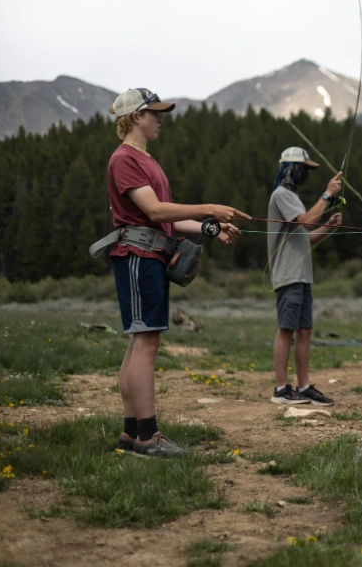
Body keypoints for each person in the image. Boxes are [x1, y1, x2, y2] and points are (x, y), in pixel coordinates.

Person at [104, 88, 248, 457]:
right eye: (154, 113)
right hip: (138, 255)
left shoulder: (145, 160)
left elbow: (169, 220)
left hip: (150, 255)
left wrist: (213, 228)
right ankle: (148, 438)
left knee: (140, 341)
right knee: (145, 341)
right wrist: (210, 208)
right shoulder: (124, 159)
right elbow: (153, 211)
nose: (160, 119)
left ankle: (131, 434)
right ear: (136, 117)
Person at [267, 147, 343, 405]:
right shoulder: (282, 195)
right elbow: (306, 222)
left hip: (302, 275)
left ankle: (304, 385)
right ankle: (280, 389)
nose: (306, 175)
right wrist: (328, 194)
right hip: (288, 275)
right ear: (291, 168)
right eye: (305, 169)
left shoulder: (293, 197)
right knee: (286, 330)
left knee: (305, 330)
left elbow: (306, 236)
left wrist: (329, 227)